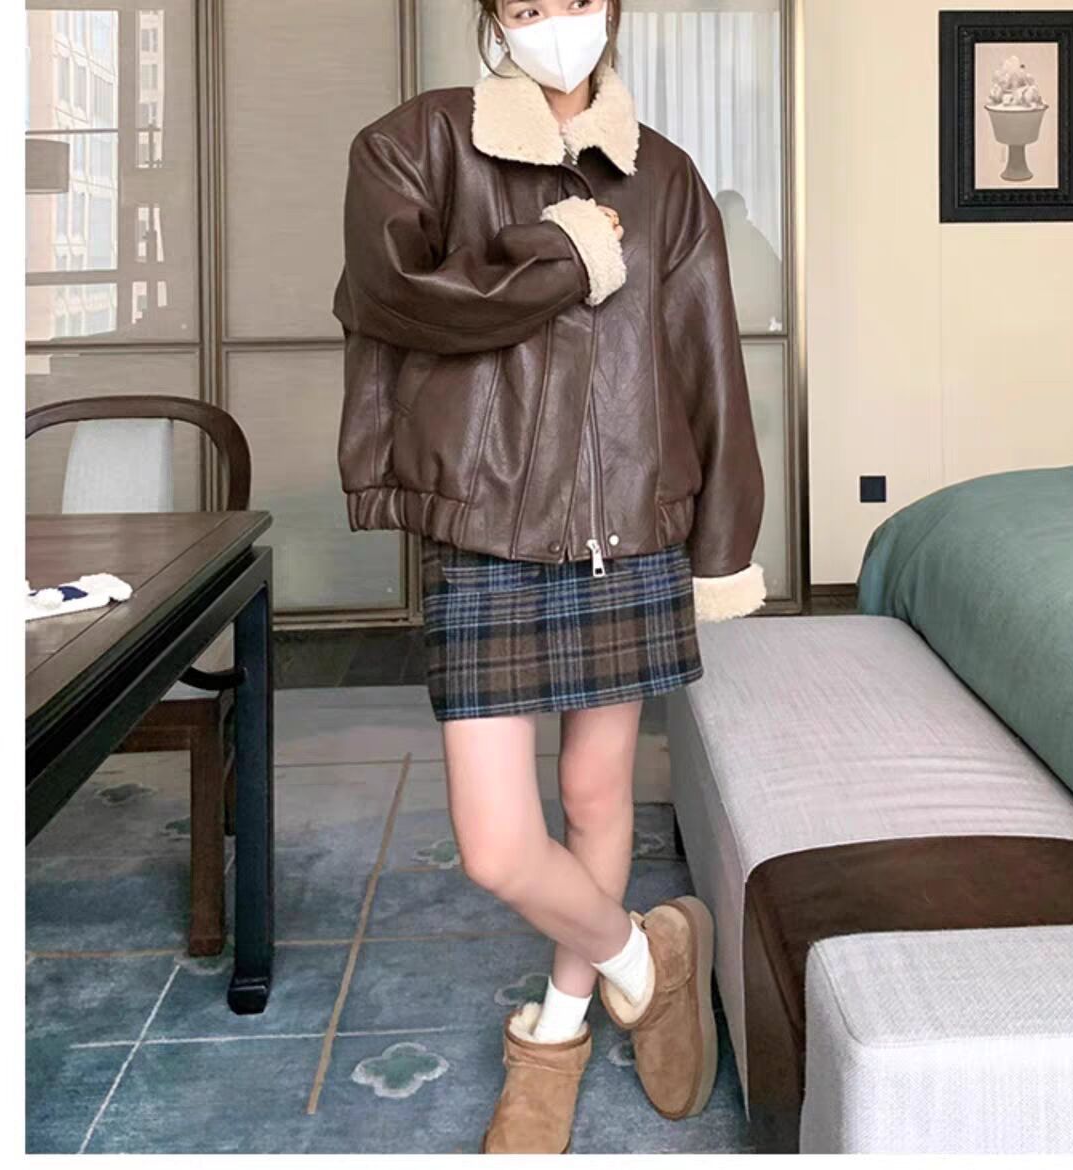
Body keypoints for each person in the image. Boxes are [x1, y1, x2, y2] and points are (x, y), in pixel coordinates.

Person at [332, 0, 765, 1153]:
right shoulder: (417, 143)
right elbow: (394, 299)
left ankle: (559, 1030)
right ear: (493, 19)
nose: (550, 23)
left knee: (597, 800)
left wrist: (723, 540)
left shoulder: (664, 177)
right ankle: (645, 955)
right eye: (523, 6)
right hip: (487, 525)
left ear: (608, 7)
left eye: (568, 0)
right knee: (496, 845)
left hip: (629, 526)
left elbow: (706, 358)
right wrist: (566, 255)